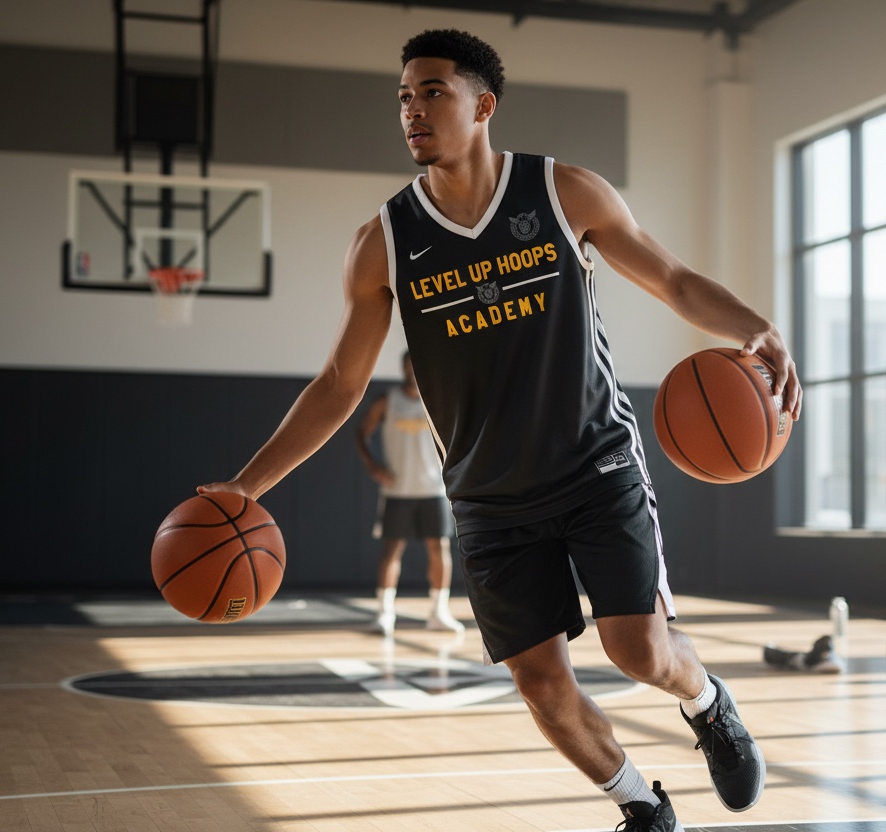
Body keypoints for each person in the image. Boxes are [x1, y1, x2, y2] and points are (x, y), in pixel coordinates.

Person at [200, 29, 801, 832]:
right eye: (405, 97)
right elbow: (342, 383)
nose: (413, 109)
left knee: (639, 652)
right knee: (541, 685)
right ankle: (640, 808)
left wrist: (754, 327)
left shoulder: (564, 193)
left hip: (595, 467)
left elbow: (674, 279)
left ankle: (708, 701)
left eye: (433, 92)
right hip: (488, 498)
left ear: (483, 105)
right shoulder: (382, 243)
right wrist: (248, 485)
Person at [355, 351, 465, 635]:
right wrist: (373, 465)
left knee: (439, 548)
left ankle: (438, 612)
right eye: (408, 364)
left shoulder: (440, 399)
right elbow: (361, 433)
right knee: (392, 549)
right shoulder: (388, 401)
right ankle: (384, 614)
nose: (412, 369)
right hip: (398, 490)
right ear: (403, 367)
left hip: (434, 489)